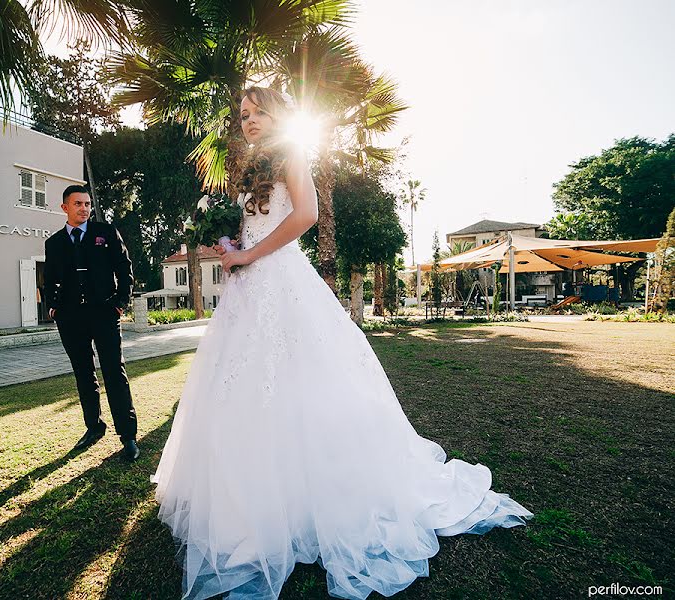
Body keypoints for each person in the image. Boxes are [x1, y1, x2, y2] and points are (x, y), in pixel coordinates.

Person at [151, 87, 533, 599]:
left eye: (256, 111)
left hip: (282, 281)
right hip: (247, 289)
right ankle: (252, 502)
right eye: (242, 115)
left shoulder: (291, 153)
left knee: (306, 379)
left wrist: (251, 254)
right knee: (241, 385)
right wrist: (226, 245)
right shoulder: (250, 169)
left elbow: (305, 215)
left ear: (278, 114)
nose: (248, 121)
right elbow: (251, 227)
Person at [43, 184, 139, 461]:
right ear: (65, 208)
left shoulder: (105, 233)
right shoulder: (54, 243)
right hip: (70, 317)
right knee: (84, 375)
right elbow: (49, 279)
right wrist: (53, 307)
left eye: (87, 204)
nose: (84, 208)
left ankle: (128, 436)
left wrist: (121, 301)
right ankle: (94, 427)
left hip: (104, 313)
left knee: (114, 373)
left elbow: (125, 267)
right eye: (78, 204)